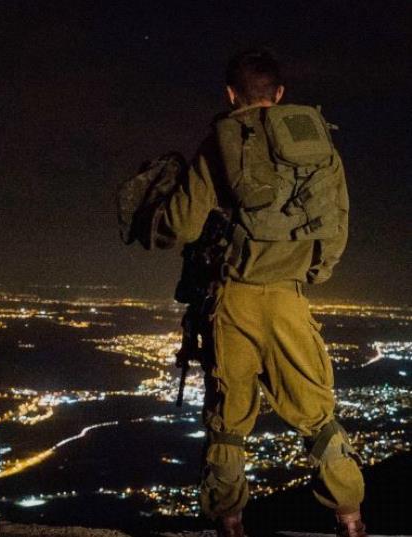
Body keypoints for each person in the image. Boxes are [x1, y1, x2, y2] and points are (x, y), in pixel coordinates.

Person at [153, 49, 366, 536]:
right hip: (289, 299)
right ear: (280, 95)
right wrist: (313, 273)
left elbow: (181, 225)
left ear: (230, 95)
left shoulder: (220, 143)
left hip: (234, 301)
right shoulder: (315, 145)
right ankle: (351, 520)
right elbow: (337, 222)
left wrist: (153, 218)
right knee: (318, 415)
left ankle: (230, 524)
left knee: (228, 420)